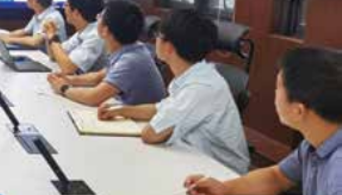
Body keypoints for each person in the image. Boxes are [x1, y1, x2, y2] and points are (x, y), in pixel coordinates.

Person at [172, 47, 342, 195]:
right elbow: (277, 177)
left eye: (278, 87)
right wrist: (225, 188)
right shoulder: (316, 140)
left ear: (298, 110)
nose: (274, 94)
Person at [97, 9, 250, 174]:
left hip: (221, 172)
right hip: (193, 158)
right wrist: (121, 110)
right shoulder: (193, 74)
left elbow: (151, 134)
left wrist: (135, 118)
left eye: (158, 35)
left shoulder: (201, 87)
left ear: (169, 47)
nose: (154, 40)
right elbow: (160, 109)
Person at [47, 0, 165, 107]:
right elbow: (97, 77)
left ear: (105, 30)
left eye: (100, 16)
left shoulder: (131, 59)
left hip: (139, 121)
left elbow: (93, 97)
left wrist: (63, 88)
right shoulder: (130, 48)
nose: (97, 17)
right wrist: (68, 79)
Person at [43, 0, 107, 74]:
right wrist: (49, 35)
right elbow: (54, 56)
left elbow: (68, 68)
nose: (64, 9)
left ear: (76, 12)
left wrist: (53, 38)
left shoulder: (96, 35)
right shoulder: (83, 31)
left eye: (66, 5)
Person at [0, 0, 66, 49]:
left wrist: (10, 40)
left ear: (35, 0)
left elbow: (35, 41)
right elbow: (24, 31)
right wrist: (4, 36)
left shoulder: (52, 18)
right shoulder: (39, 14)